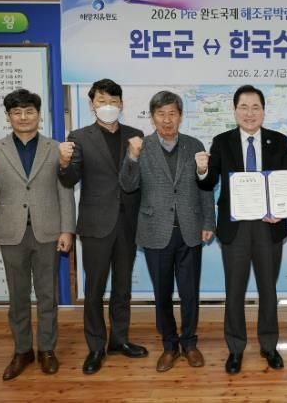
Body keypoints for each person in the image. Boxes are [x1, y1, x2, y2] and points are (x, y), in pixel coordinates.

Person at [0, 89, 75, 380]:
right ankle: (22, 351)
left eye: (29, 111)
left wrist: (67, 229)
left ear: (38, 115)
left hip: (48, 232)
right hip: (12, 234)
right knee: (17, 297)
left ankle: (47, 350)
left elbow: (65, 191)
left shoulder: (54, 148)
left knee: (47, 296)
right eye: (16, 112)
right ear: (8, 116)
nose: (23, 117)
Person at [194, 85, 287, 374]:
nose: (249, 113)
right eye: (244, 107)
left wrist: (281, 210)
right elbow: (209, 182)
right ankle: (236, 348)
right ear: (235, 110)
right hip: (235, 228)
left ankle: (269, 345)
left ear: (263, 111)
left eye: (255, 107)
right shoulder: (221, 141)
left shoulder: (279, 140)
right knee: (235, 291)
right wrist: (201, 169)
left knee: (268, 290)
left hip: (269, 227)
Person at [119, 90, 215, 372]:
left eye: (172, 113)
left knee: (189, 292)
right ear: (152, 117)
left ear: (180, 116)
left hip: (190, 230)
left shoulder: (194, 144)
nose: (167, 119)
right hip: (155, 230)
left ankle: (190, 343)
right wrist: (132, 157)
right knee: (162, 294)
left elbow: (205, 187)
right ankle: (170, 346)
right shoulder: (142, 146)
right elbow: (127, 185)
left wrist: (208, 222)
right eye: (161, 114)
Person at [58, 78, 148, 374]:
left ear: (121, 104)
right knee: (94, 289)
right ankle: (96, 346)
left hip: (128, 223)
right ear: (92, 104)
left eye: (113, 101)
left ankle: (119, 340)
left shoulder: (136, 136)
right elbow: (70, 179)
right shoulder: (79, 137)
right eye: (101, 101)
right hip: (96, 223)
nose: (108, 106)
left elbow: (140, 180)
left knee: (122, 288)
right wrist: (63, 163)